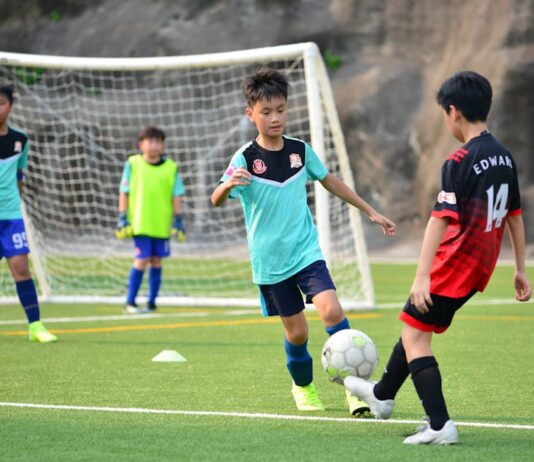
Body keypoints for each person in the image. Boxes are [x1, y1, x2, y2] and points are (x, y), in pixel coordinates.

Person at [345, 71, 532, 444]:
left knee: (416, 339)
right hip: (482, 265)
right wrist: (520, 269)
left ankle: (439, 425)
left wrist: (422, 275)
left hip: (455, 264)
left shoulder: (460, 160)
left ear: (453, 112)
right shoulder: (504, 158)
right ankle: (382, 395)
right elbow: (514, 215)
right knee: (414, 326)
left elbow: (439, 221)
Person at [211, 68, 396, 415]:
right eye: (266, 112)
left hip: (305, 252)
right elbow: (216, 199)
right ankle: (303, 387)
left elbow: (330, 181)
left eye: (280, 109)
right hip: (270, 262)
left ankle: (354, 389)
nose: (275, 117)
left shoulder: (300, 151)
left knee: (332, 310)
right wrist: (227, 186)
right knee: (297, 334)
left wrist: (370, 211)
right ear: (250, 114)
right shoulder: (245, 159)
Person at [0, 84, 57, 343]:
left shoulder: (20, 139)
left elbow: (20, 174)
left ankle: (35, 326)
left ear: (10, 106)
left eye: (1, 102)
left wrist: (17, 197)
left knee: (21, 268)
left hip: (11, 216)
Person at [117, 126, 186, 313]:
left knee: (156, 261)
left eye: (158, 141)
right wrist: (122, 217)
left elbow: (176, 195)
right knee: (141, 259)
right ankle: (130, 302)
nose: (154, 145)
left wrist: (178, 220)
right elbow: (124, 191)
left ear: (163, 145)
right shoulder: (132, 164)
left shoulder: (171, 167)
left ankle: (152, 303)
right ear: (141, 144)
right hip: (140, 223)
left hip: (161, 224)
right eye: (150, 141)